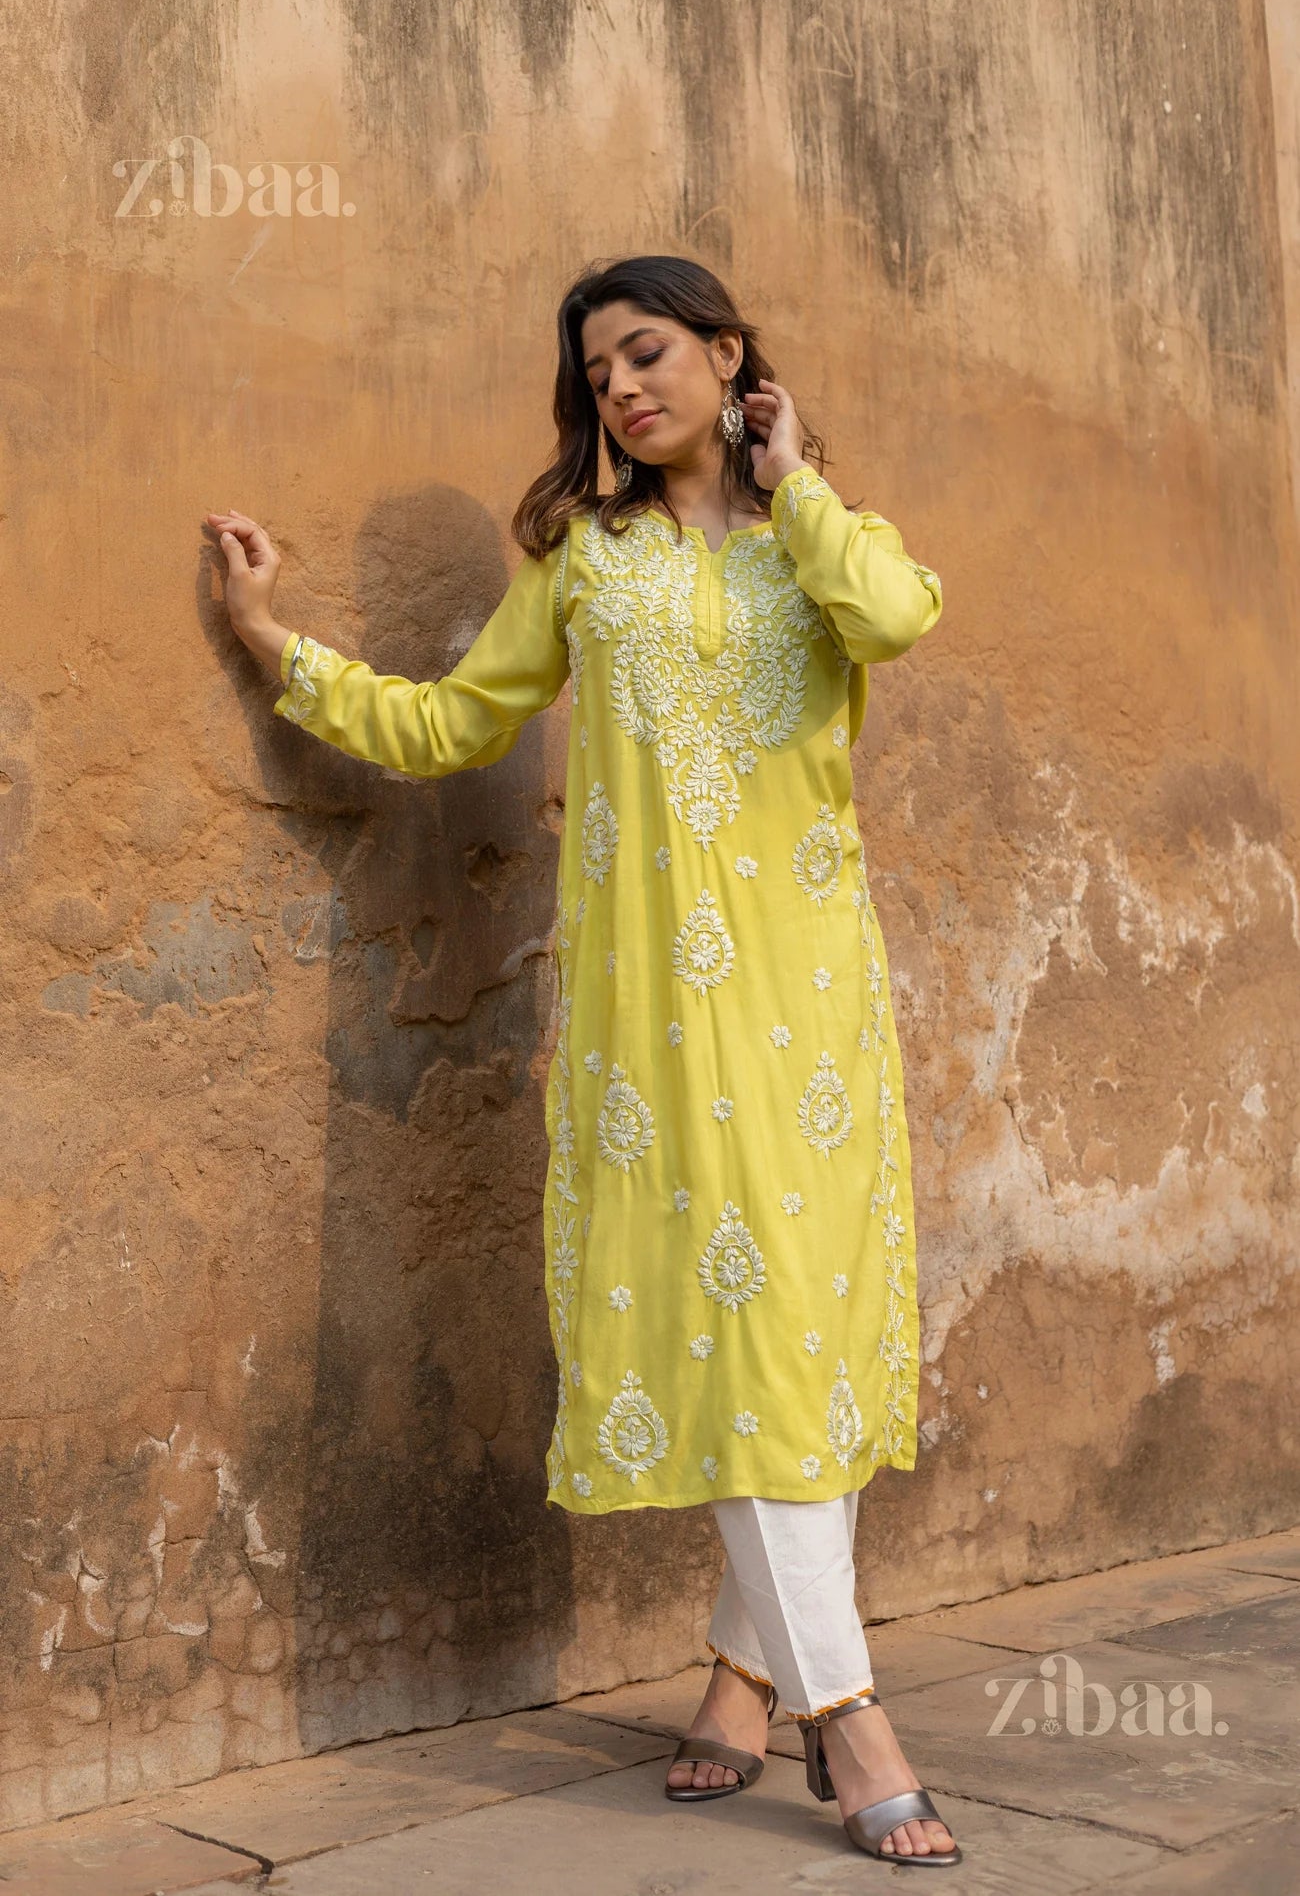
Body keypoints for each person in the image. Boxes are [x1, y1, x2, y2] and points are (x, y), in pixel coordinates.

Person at [204, 254, 960, 1865]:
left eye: (649, 352)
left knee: (803, 1341)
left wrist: (793, 473)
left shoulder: (826, 545)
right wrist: (279, 646)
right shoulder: (587, 563)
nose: (621, 387)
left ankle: (746, 1675)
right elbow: (452, 725)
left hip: (814, 998)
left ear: (728, 356)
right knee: (748, 1323)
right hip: (657, 1026)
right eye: (597, 370)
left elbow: (898, 614)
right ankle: (851, 1713)